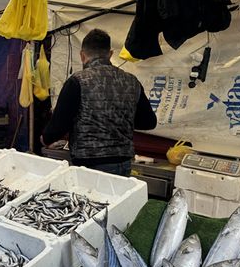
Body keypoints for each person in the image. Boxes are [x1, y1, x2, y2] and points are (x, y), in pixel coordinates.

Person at [40, 28, 157, 176]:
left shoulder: (77, 81)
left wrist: (45, 138)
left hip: (89, 165)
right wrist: (121, 118)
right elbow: (149, 122)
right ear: (110, 54)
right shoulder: (131, 81)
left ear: (82, 55)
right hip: (123, 163)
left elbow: (59, 125)